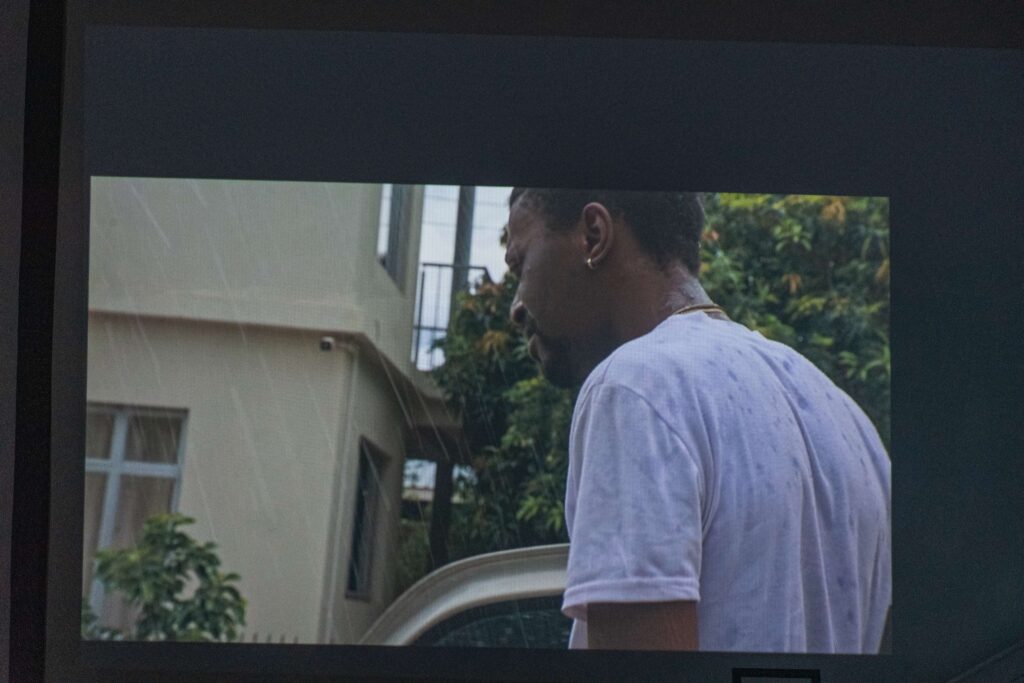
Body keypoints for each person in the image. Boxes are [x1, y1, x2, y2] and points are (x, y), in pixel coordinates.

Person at [504, 188, 891, 653]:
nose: (516, 307)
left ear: (594, 234)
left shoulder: (635, 389)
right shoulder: (849, 419)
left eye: (519, 265)